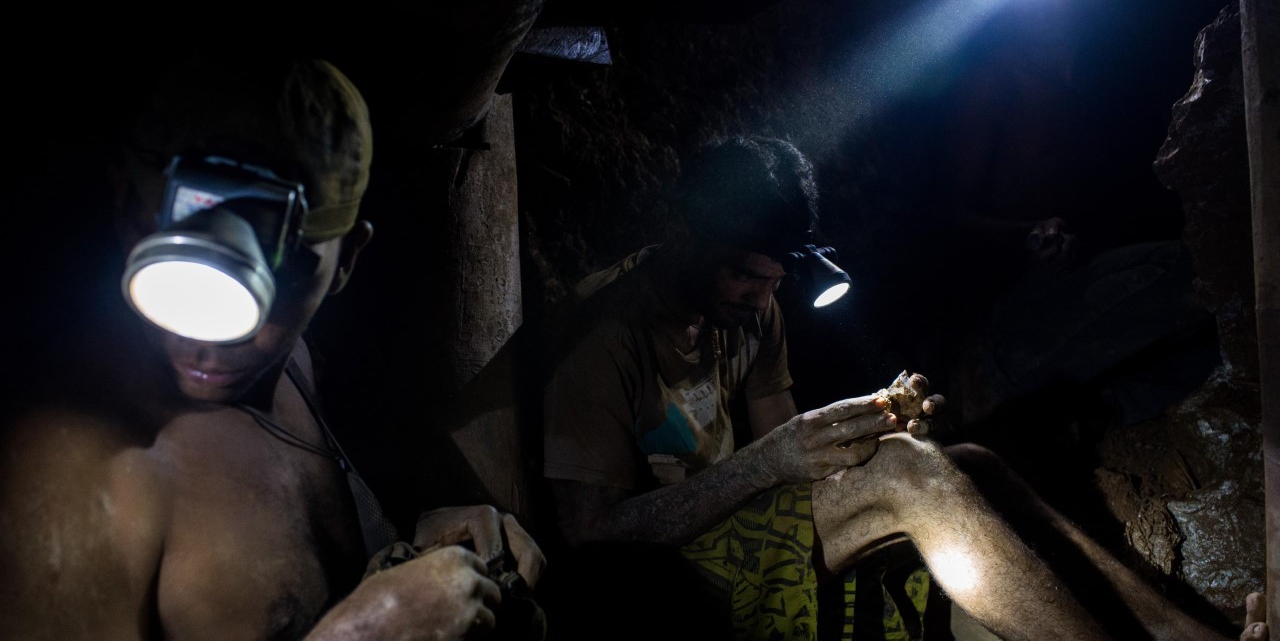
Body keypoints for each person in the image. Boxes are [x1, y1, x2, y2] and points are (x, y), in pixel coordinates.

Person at [538, 135, 1258, 640]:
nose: (761, 299)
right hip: (661, 575)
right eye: (743, 276)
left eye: (773, 281)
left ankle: (1187, 637)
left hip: (739, 525)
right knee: (913, 479)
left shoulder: (749, 311)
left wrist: (868, 430)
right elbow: (591, 535)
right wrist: (777, 460)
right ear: (688, 238)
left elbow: (787, 453)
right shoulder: (607, 338)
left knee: (964, 462)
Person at [0, 54, 545, 639]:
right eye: (184, 258)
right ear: (129, 209)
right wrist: (360, 636)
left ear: (345, 261)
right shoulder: (72, 467)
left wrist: (409, 543)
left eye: (274, 278)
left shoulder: (296, 366)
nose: (210, 334)